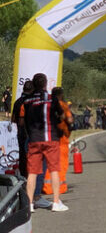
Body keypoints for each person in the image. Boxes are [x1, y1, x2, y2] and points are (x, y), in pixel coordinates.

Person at [20, 73, 68, 212]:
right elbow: (62, 115)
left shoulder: (27, 101)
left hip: (33, 139)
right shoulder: (51, 99)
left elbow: (24, 120)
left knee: (32, 172)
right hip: (49, 138)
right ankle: (55, 202)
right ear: (45, 84)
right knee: (54, 170)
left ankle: (29, 204)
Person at [11, 81, 33, 178]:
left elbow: (13, 119)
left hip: (21, 133)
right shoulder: (32, 101)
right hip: (30, 134)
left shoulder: (17, 102)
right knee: (32, 157)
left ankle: (23, 178)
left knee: (22, 156)